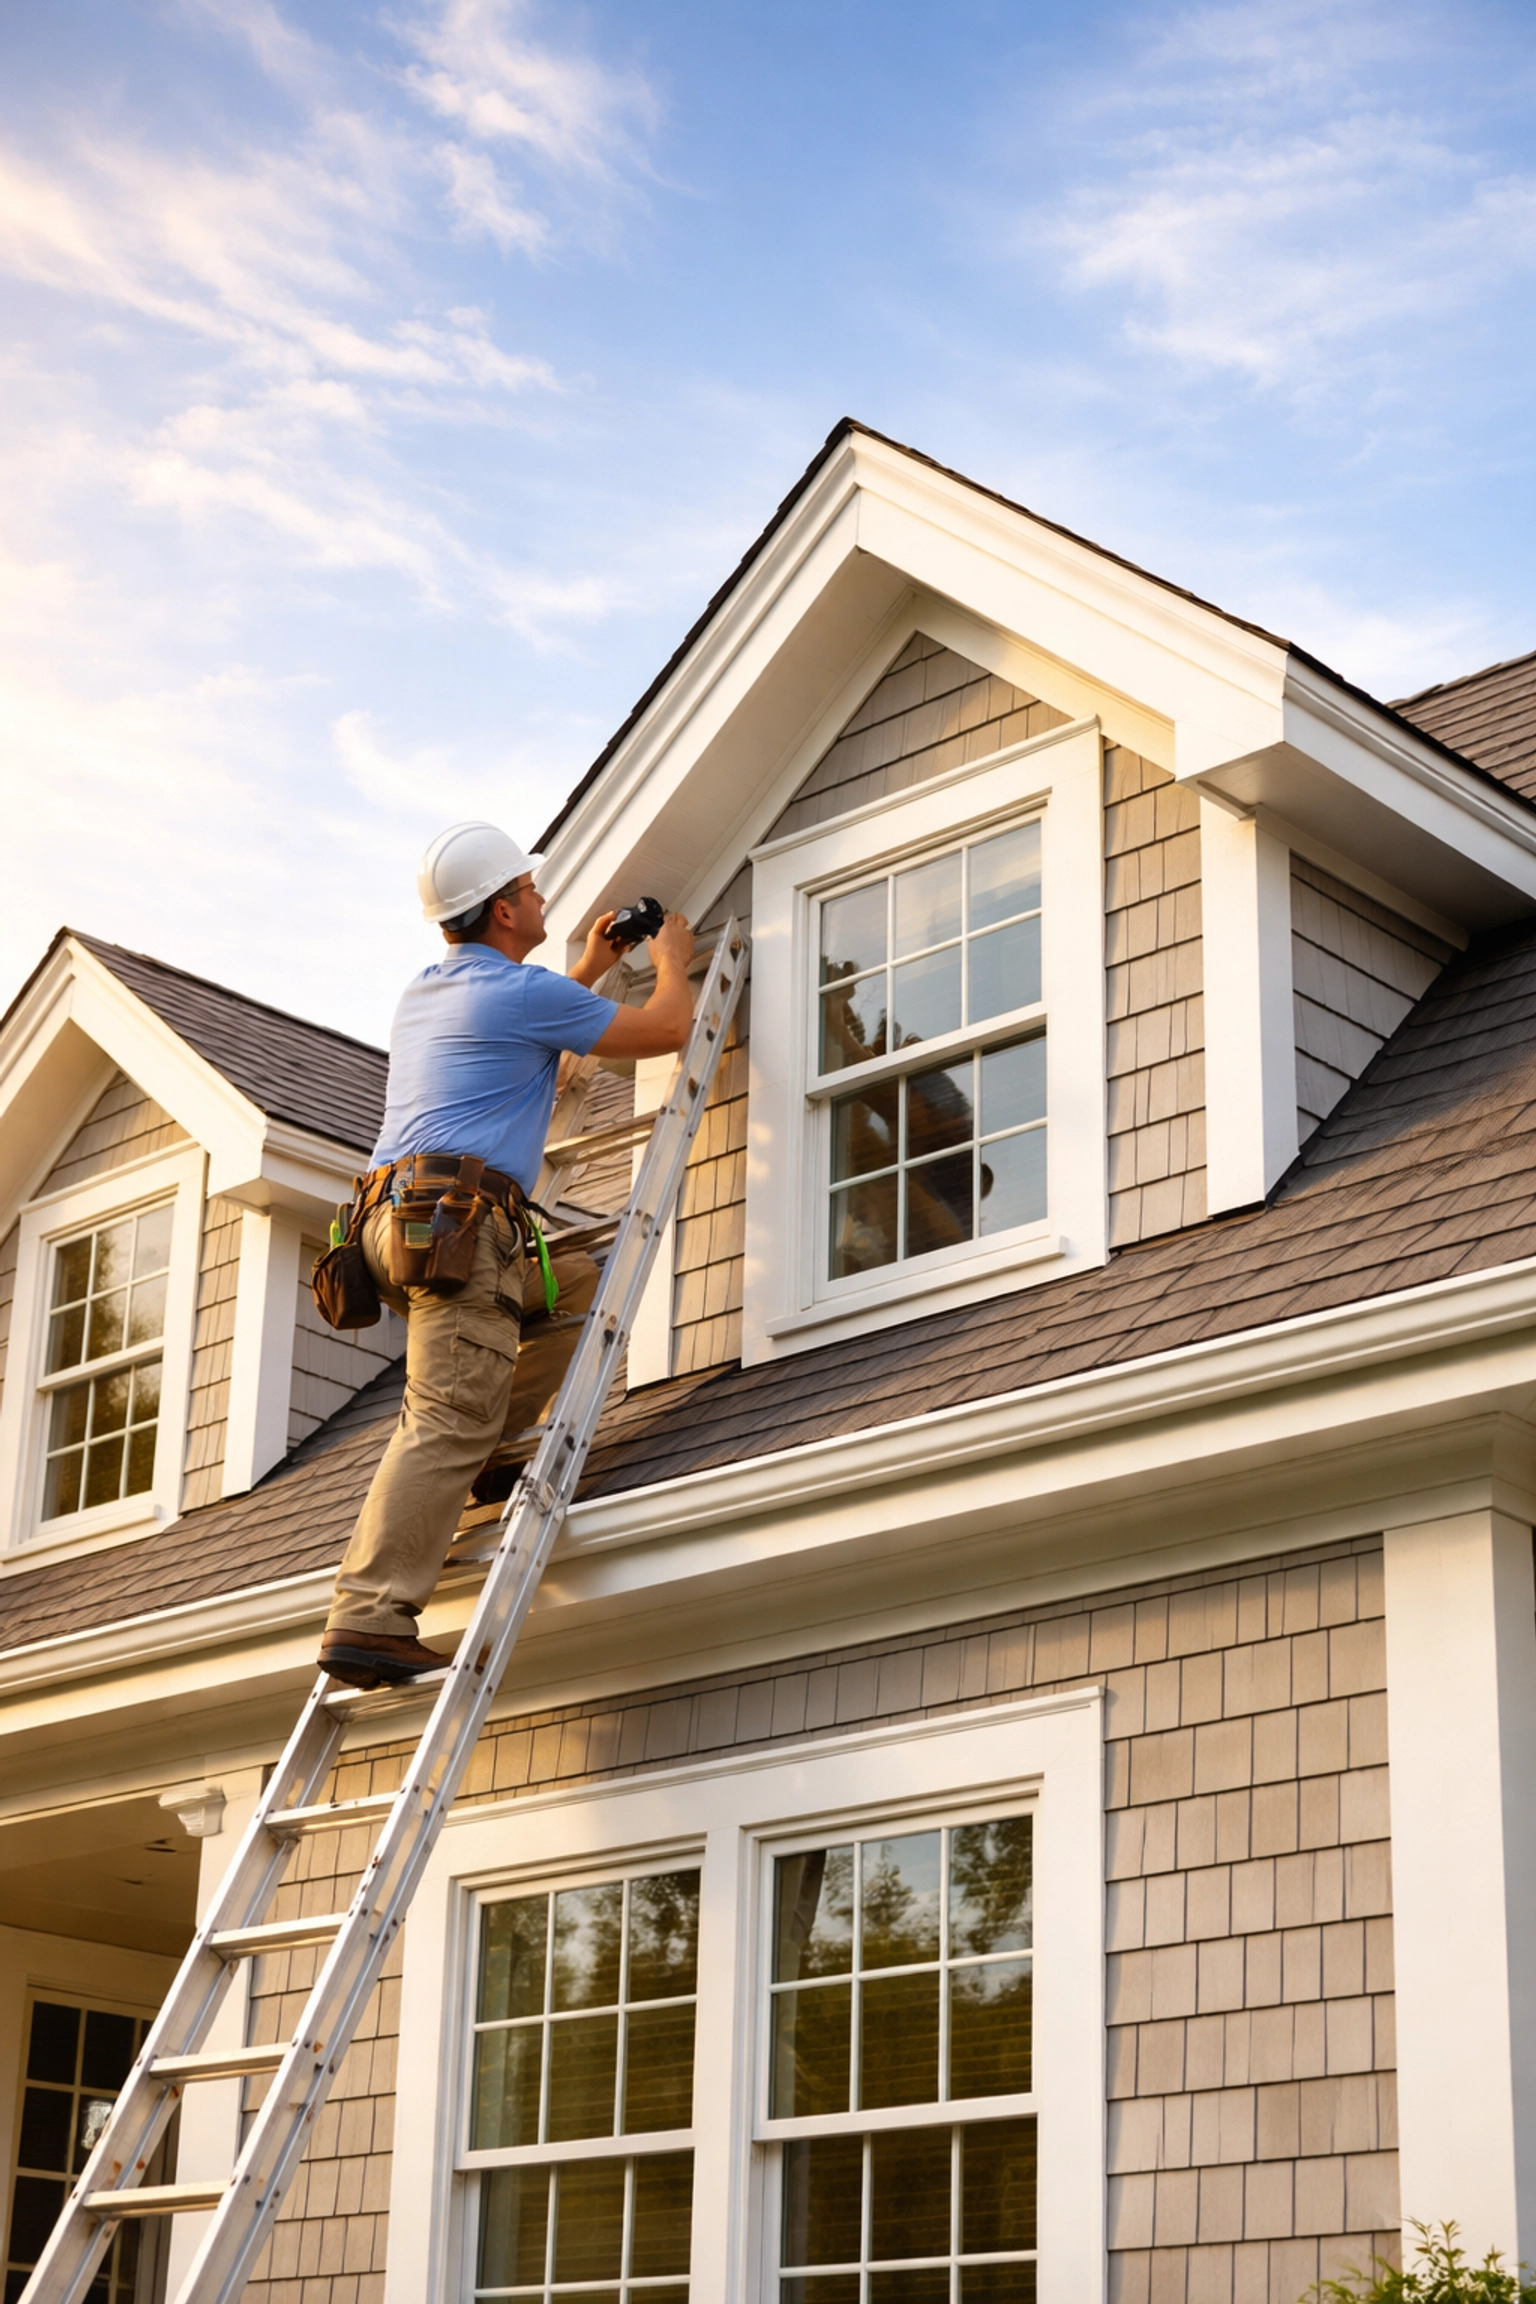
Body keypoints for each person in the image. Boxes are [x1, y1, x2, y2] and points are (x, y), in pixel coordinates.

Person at [319, 821, 696, 1689]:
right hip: (455, 1226)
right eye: (527, 891)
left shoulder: (429, 989)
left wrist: (593, 966)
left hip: (395, 1223)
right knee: (443, 1416)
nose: (541, 898)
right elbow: (668, 1027)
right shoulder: (521, 997)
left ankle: (491, 1450)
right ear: (498, 910)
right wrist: (671, 956)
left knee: (572, 1288)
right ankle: (370, 1618)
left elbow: (514, 1026)